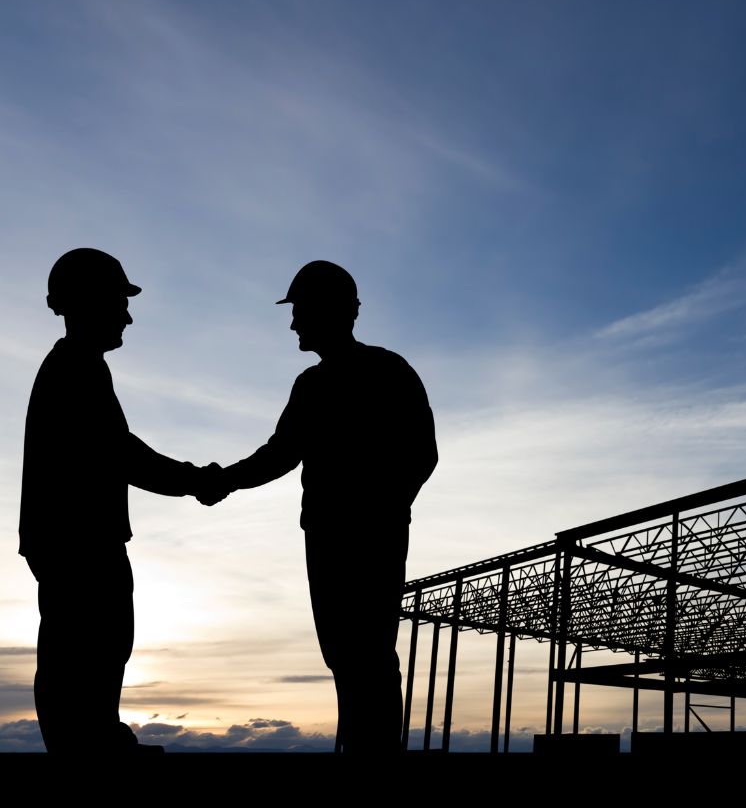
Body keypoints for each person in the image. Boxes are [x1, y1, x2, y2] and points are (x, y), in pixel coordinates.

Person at [203, 260, 437, 754]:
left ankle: (371, 753)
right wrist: (225, 479)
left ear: (334, 312)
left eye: (301, 311)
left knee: (367, 651)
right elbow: (280, 454)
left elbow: (421, 454)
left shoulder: (387, 371)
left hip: (366, 535)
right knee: (345, 652)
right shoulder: (312, 384)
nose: (293, 324)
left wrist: (380, 509)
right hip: (331, 535)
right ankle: (358, 748)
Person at [19, 248, 221, 754]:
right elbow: (122, 455)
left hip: (73, 540)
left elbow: (118, 453)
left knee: (93, 649)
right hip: (80, 542)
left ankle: (95, 740)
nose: (128, 314)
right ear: (87, 302)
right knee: (89, 648)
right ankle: (89, 748)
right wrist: (195, 480)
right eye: (118, 300)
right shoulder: (74, 369)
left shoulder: (75, 366)